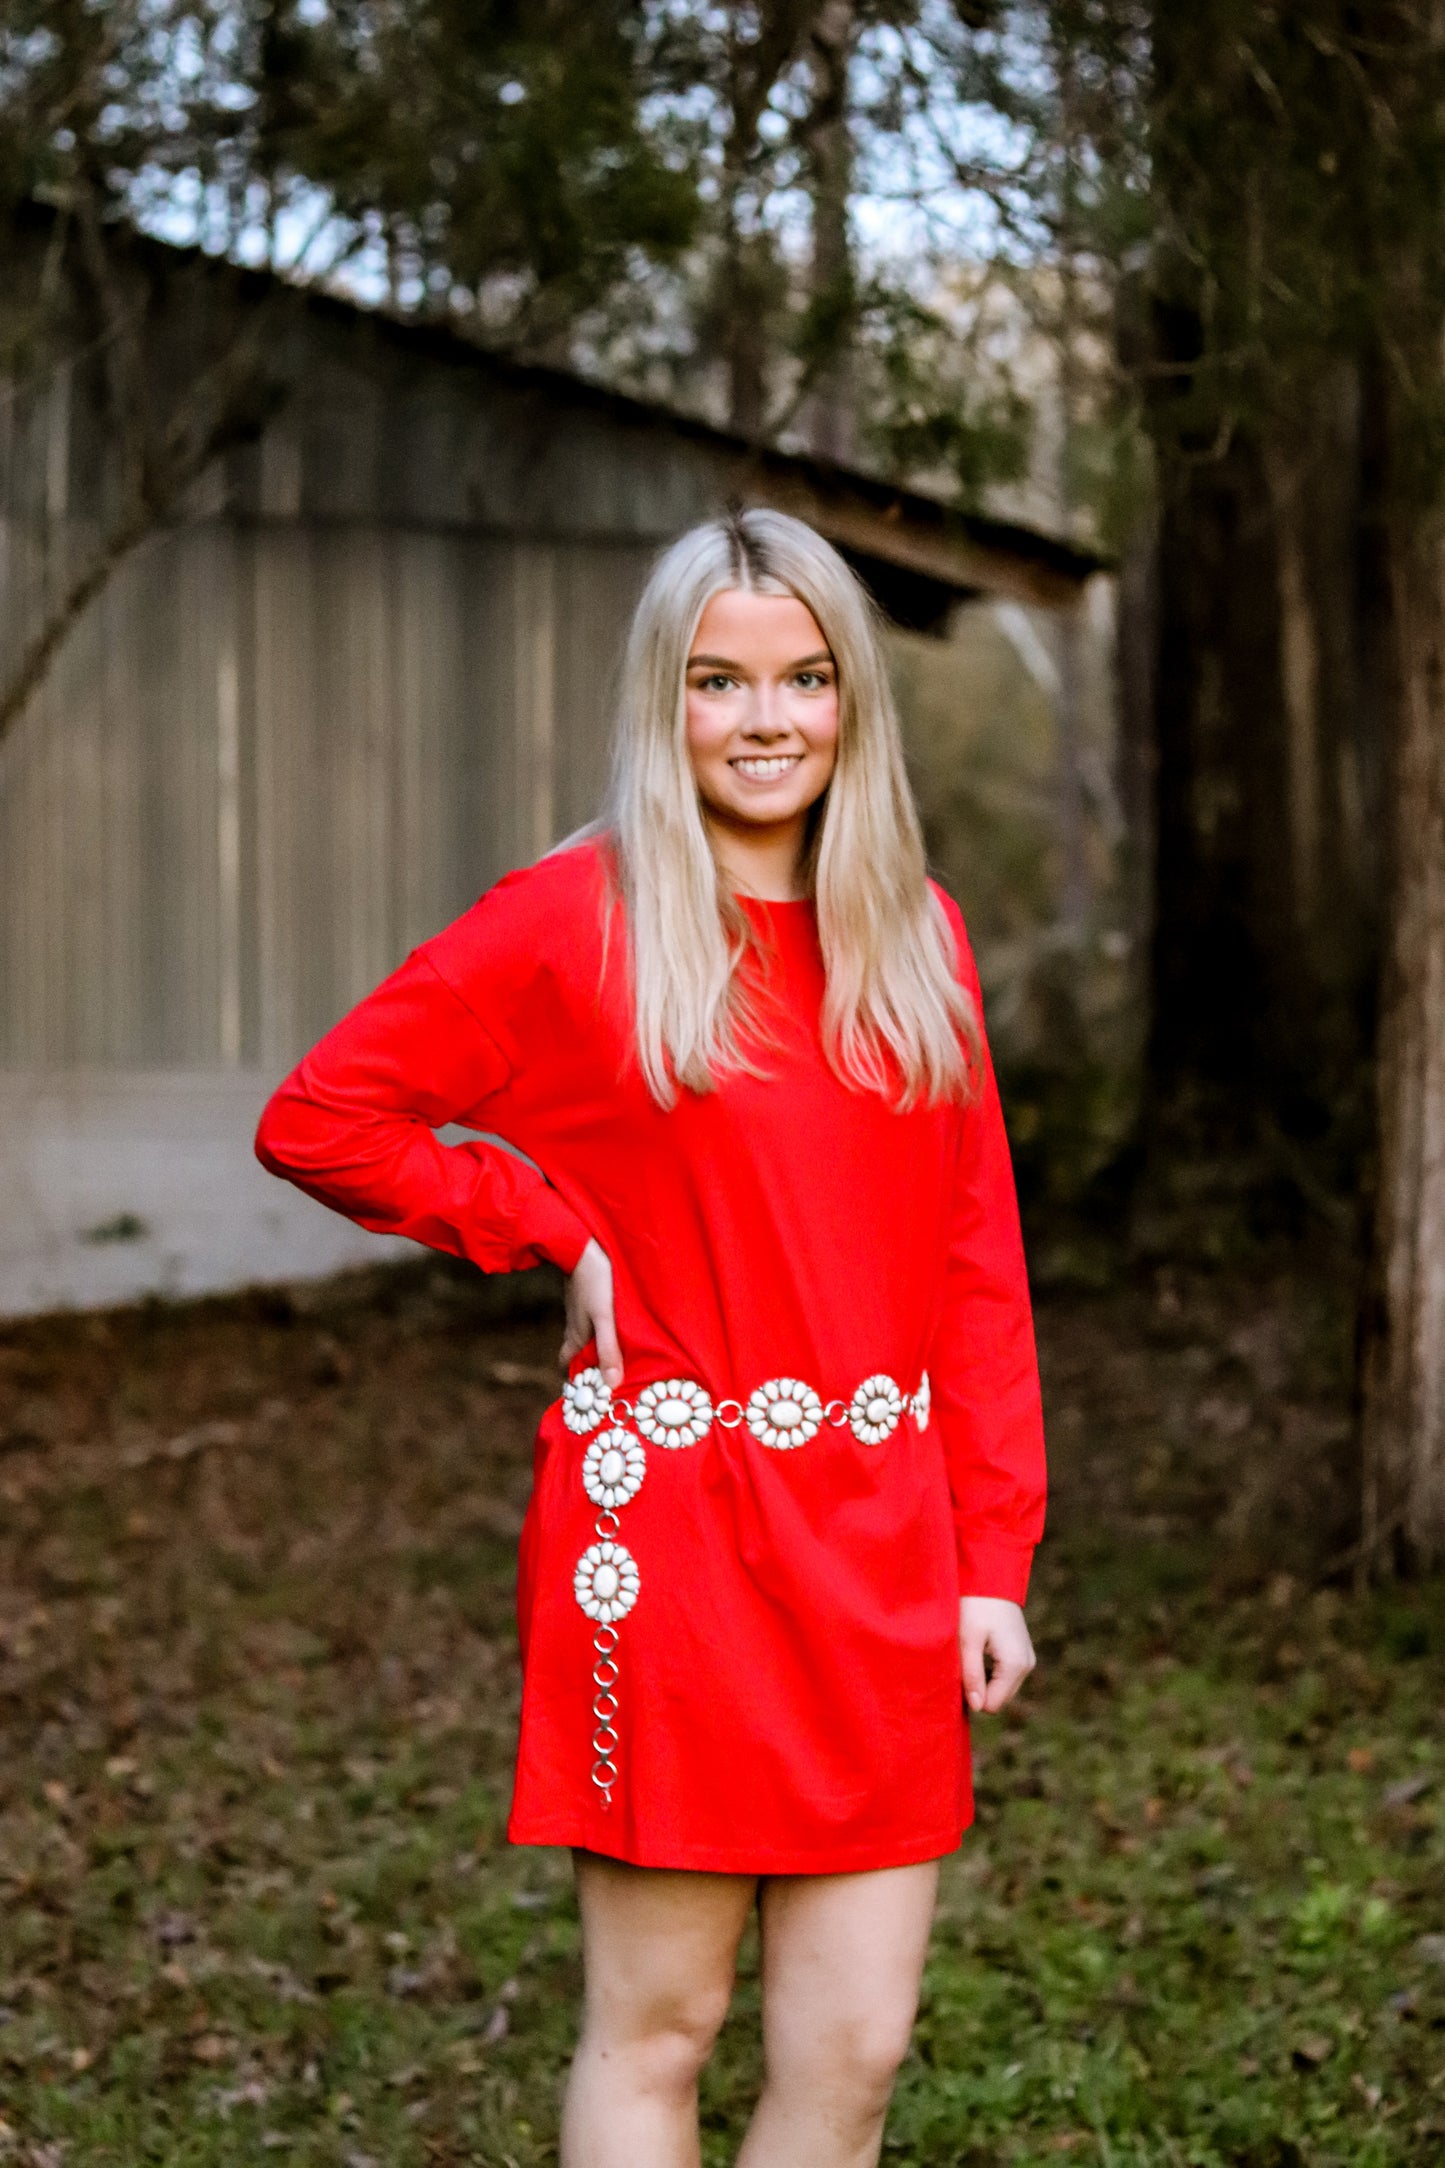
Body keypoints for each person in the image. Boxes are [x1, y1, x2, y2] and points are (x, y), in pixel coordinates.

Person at [255, 506, 1046, 2168]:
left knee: (855, 2046)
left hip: (883, 1549)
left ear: (851, 700)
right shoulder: (575, 921)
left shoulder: (919, 931)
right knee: (660, 2030)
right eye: (716, 681)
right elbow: (325, 1115)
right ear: (660, 700)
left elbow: (974, 1261)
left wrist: (991, 1556)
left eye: (805, 678)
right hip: (675, 1541)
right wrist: (544, 1221)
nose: (765, 720)